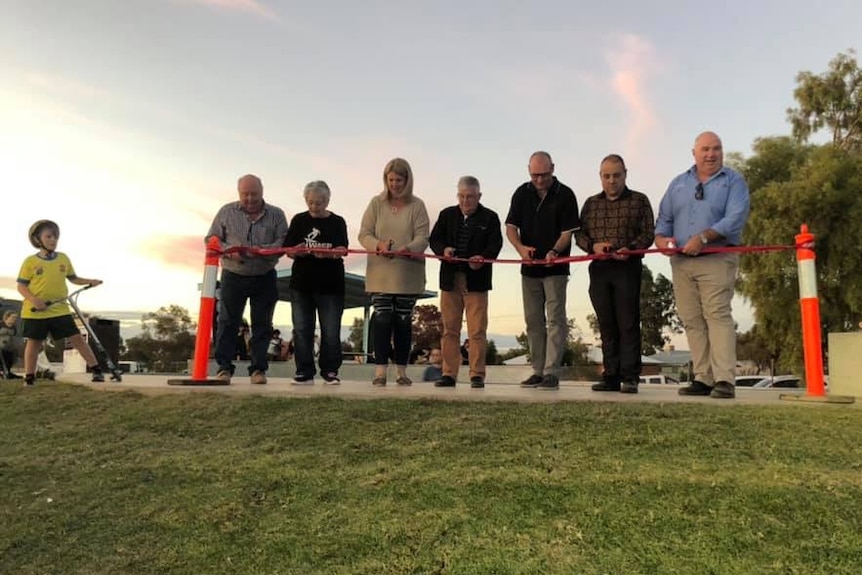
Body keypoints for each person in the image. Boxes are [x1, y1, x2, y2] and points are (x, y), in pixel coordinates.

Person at [655, 131, 751, 399]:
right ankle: (703, 377)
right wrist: (660, 239)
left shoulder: (733, 181)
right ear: (694, 153)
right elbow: (664, 218)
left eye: (716, 149)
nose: (711, 154)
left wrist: (705, 237)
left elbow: (735, 218)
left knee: (717, 315)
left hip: (717, 258)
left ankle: (724, 380)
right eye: (706, 149)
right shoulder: (677, 184)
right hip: (682, 263)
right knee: (692, 319)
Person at [575, 154, 655, 394]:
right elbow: (579, 234)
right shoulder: (590, 204)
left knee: (628, 322)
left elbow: (649, 233)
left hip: (627, 267)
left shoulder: (639, 201)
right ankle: (611, 375)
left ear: (625, 174)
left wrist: (629, 250)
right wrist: (593, 247)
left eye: (616, 175)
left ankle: (630, 376)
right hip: (599, 269)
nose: (611, 180)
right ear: (600, 177)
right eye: (606, 176)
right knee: (606, 324)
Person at [505, 151, 580, 390]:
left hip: (555, 267)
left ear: (553, 169)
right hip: (529, 268)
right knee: (533, 320)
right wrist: (520, 249)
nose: (539, 180)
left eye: (544, 175)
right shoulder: (521, 193)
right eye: (534, 175)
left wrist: (555, 252)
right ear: (529, 171)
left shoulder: (566, 194)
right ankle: (537, 370)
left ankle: (551, 372)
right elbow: (510, 227)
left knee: (556, 319)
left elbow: (568, 232)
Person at [206, 174, 288, 385]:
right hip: (233, 275)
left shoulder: (276, 215)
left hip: (265, 275)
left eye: (254, 194)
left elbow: (283, 242)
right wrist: (228, 251)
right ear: (239, 193)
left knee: (262, 325)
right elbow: (211, 239)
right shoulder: (226, 212)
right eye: (245, 194)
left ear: (262, 193)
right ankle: (224, 368)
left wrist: (262, 251)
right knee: (227, 322)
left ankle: (258, 370)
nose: (250, 199)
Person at [358, 157, 430, 387]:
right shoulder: (376, 204)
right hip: (381, 273)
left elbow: (423, 236)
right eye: (391, 180)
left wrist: (409, 248)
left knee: (402, 321)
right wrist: (378, 245)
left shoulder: (417, 205)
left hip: (407, 273)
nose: (395, 184)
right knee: (382, 320)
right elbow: (364, 234)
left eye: (399, 180)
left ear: (407, 180)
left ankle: (401, 371)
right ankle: (380, 371)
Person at [430, 175, 503, 389]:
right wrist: (443, 250)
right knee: (449, 329)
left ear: (479, 196)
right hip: (450, 281)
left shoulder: (490, 217)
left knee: (477, 331)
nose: (465, 201)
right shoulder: (446, 215)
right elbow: (434, 239)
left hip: (476, 282)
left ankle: (477, 374)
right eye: (461, 196)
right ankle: (449, 373)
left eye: (470, 197)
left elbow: (495, 244)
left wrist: (483, 257)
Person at [16, 220, 104, 387]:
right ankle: (29, 378)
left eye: (56, 237)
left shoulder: (63, 259)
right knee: (34, 343)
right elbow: (21, 286)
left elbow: (73, 278)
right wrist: (34, 299)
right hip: (36, 311)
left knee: (77, 338)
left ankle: (96, 370)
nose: (53, 240)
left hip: (60, 309)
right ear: (37, 239)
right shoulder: (30, 262)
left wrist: (90, 281)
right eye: (48, 236)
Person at [283, 180, 349, 385]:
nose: (314, 207)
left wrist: (329, 254)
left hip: (331, 285)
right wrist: (298, 250)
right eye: (310, 202)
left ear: (328, 201)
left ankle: (330, 370)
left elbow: (343, 249)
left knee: (330, 329)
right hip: (302, 284)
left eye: (319, 202)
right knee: (302, 328)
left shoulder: (338, 221)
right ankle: (304, 370)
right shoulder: (298, 220)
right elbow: (287, 250)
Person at [1, 310, 21, 379]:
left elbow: (14, 337)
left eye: (15, 318)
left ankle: (8, 373)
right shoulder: (1, 325)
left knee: (10, 359)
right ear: (7, 317)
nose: (14, 319)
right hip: (0, 347)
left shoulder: (14, 328)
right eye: (13, 317)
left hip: (9, 347)